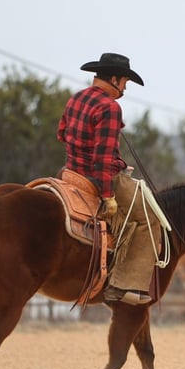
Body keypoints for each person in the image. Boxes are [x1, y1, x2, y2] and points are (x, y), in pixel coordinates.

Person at [57, 53, 159, 305]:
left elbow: (62, 133)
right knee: (150, 217)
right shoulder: (110, 108)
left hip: (71, 173)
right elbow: (102, 159)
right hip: (99, 178)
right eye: (124, 82)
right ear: (113, 79)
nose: (124, 89)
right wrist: (107, 196)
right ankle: (124, 286)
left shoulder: (76, 98)